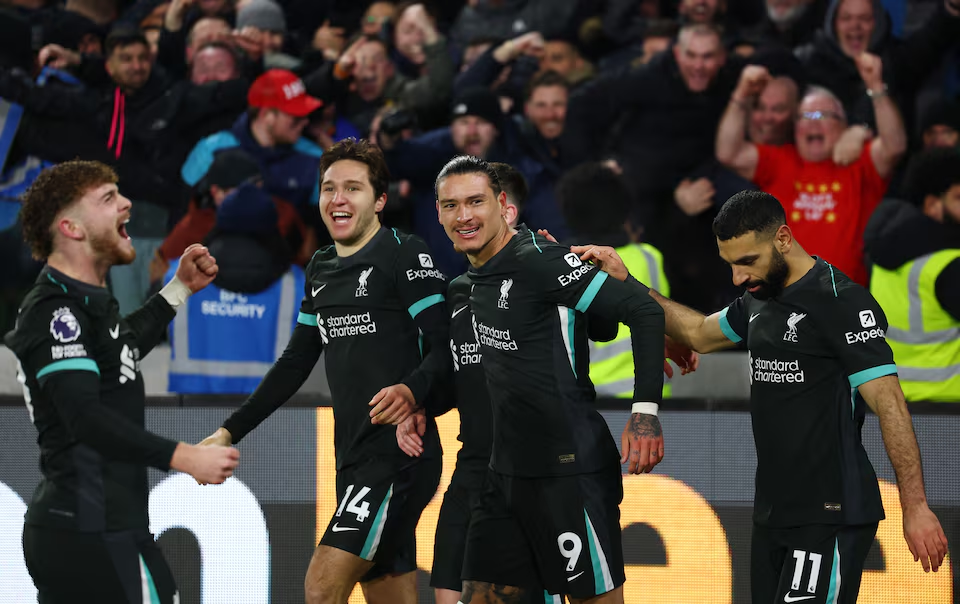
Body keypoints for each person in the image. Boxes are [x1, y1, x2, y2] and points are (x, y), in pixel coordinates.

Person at [577, 189, 949, 603]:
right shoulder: (759, 299)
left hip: (830, 512)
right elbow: (698, 333)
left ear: (784, 239)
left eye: (747, 262)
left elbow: (891, 406)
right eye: (731, 265)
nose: (738, 278)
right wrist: (628, 283)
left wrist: (915, 507)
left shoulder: (841, 302)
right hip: (773, 512)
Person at [197, 139, 449, 604]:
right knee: (390, 596)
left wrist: (413, 392)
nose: (337, 199)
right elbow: (295, 362)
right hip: (352, 456)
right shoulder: (321, 267)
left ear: (378, 200)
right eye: (329, 188)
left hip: (397, 458)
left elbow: (448, 345)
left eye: (352, 188)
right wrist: (230, 431)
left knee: (320, 585)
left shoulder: (403, 253)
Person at [434, 155, 672, 604]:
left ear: (502, 204)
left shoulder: (541, 260)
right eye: (450, 206)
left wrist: (645, 415)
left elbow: (639, 311)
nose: (463, 216)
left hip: (568, 473)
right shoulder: (467, 284)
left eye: (475, 202)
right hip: (503, 475)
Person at [4, 159, 240, 603]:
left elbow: (121, 348)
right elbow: (86, 420)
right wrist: (183, 457)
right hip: (93, 528)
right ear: (71, 228)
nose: (127, 203)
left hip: (89, 527)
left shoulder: (87, 301)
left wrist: (179, 289)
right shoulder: (56, 311)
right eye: (108, 198)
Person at [716, 56, 907, 285]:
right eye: (804, 117)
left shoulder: (861, 163)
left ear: (844, 125)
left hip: (844, 301)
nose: (812, 124)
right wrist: (742, 94)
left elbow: (894, 146)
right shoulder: (780, 160)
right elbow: (728, 152)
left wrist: (876, 88)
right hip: (785, 302)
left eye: (823, 115)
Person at [864, 147, 960, 402]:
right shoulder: (949, 265)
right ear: (932, 205)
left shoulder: (883, 254)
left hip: (896, 407)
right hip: (951, 406)